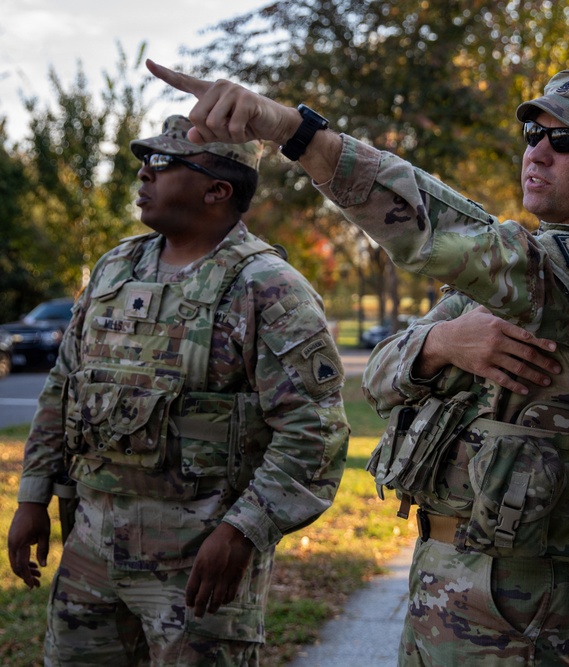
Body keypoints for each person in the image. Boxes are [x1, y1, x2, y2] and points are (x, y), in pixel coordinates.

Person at [146, 62, 569, 664]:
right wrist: (441, 345)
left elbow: (437, 232)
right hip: (440, 569)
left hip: (523, 596)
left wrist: (292, 130)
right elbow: (378, 377)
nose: (540, 153)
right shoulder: (507, 282)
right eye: (533, 136)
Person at [6, 116, 349, 665]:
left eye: (164, 163)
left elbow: (316, 431)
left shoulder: (266, 287)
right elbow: (63, 387)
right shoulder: (116, 267)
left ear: (218, 189)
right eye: (146, 160)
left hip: (198, 564)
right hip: (90, 549)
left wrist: (243, 532)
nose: (144, 171)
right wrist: (33, 497)